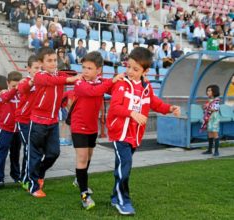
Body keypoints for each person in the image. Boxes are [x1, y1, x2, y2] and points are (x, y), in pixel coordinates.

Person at [106, 47, 180, 215]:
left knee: (122, 167)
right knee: (125, 164)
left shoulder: (146, 87)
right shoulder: (121, 84)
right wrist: (132, 114)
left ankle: (115, 197)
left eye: (135, 69)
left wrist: (170, 108)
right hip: (120, 133)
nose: (130, 71)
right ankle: (123, 200)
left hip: (135, 135)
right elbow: (115, 108)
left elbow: (155, 103)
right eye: (129, 66)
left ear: (145, 71)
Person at [71, 51, 123, 210]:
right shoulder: (79, 82)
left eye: (89, 68)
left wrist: (129, 81)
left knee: (88, 157)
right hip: (78, 125)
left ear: (98, 70)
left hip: (92, 127)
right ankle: (84, 195)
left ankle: (79, 179)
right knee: (82, 157)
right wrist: (112, 81)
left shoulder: (101, 81)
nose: (85, 71)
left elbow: (113, 89)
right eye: (83, 67)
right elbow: (94, 91)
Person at [28, 47, 80, 198]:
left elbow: (69, 76)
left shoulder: (59, 74)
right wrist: (70, 79)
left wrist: (84, 75)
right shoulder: (40, 76)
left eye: (54, 60)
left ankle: (40, 173)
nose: (53, 63)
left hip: (53, 122)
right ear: (41, 63)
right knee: (35, 155)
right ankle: (33, 186)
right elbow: (56, 80)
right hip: (38, 122)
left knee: (54, 153)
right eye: (49, 61)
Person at [15, 55, 41, 190]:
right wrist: (33, 82)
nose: (39, 70)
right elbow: (21, 88)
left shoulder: (43, 81)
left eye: (40, 68)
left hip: (36, 121)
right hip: (23, 120)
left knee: (34, 150)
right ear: (29, 69)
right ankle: (25, 178)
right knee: (28, 148)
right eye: (36, 68)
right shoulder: (25, 81)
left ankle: (30, 176)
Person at [0, 71, 23, 188]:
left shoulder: (22, 94)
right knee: (1, 154)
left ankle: (16, 175)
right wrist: (15, 89)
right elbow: (6, 98)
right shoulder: (5, 92)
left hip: (18, 129)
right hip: (6, 128)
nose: (16, 88)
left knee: (15, 154)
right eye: (13, 85)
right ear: (7, 83)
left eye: (18, 85)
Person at [201, 85, 220, 156]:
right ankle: (209, 150)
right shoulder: (209, 100)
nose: (207, 92)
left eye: (209, 91)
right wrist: (205, 107)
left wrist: (207, 107)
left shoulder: (216, 100)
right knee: (209, 133)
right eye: (207, 90)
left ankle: (216, 151)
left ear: (214, 92)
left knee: (215, 133)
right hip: (209, 118)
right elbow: (207, 108)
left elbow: (215, 109)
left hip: (214, 119)